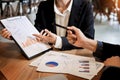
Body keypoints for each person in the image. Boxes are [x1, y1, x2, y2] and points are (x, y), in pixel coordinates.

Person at [1, 0, 94, 50]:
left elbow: (88, 38)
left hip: (74, 55)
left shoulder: (86, 6)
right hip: (48, 55)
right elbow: (36, 32)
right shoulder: (44, 6)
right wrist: (15, 35)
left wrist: (57, 40)